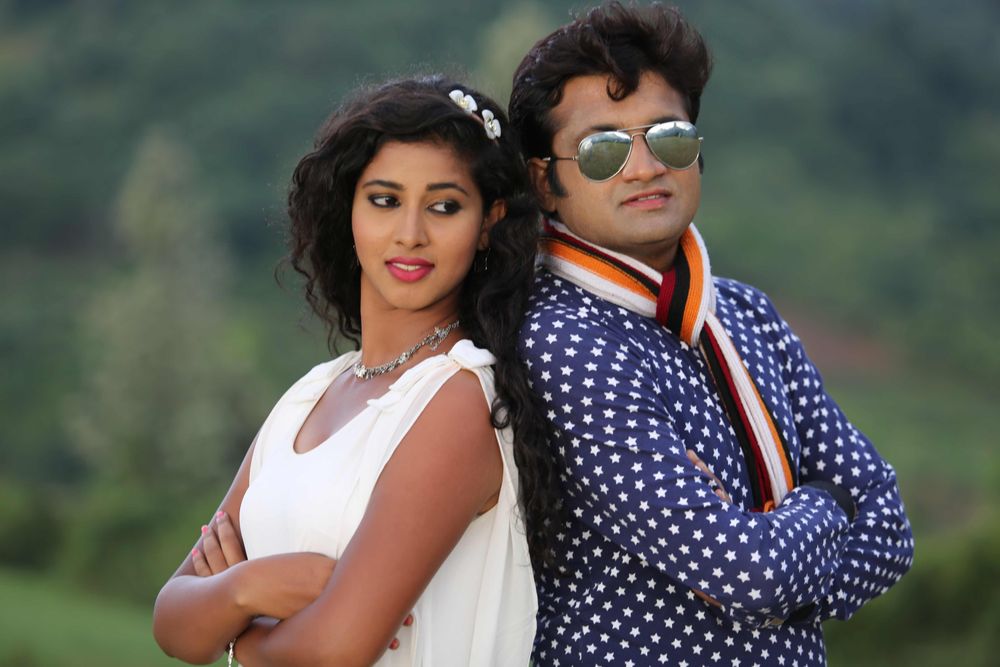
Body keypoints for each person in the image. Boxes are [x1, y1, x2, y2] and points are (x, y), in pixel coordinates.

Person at [508, 3, 914, 665]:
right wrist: (827, 500)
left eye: (668, 137)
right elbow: (751, 572)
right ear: (543, 181)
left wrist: (773, 560)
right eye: (603, 149)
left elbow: (890, 530)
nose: (645, 167)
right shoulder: (564, 341)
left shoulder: (746, 314)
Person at [152, 75, 560, 666]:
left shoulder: (460, 399)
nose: (410, 234)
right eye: (385, 200)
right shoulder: (310, 395)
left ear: (488, 224)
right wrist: (248, 587)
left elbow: (336, 651)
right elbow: (173, 623)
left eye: (444, 206)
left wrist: (236, 631)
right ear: (348, 209)